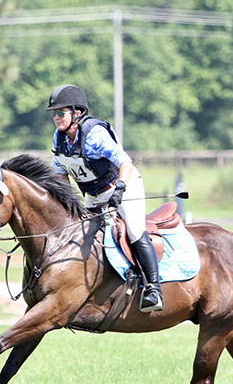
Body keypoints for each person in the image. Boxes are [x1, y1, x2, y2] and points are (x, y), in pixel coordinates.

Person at [46, 84, 163, 312]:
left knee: (134, 231)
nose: (57, 117)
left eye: (61, 112)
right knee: (82, 234)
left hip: (124, 185)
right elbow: (61, 176)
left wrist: (119, 190)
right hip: (95, 194)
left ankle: (154, 289)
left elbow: (125, 162)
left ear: (77, 112)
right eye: (54, 113)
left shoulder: (94, 134)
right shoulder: (58, 139)